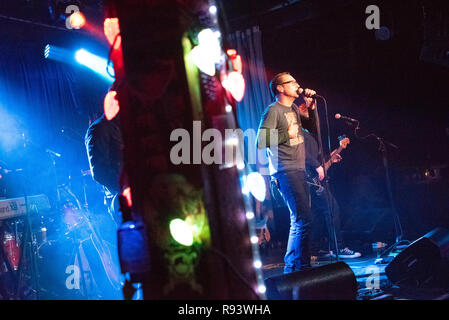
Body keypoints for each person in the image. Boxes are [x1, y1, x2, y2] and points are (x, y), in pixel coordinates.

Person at [257, 72, 318, 274]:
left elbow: (309, 127)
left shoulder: (292, 108)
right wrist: (285, 134)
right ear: (280, 88)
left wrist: (310, 107)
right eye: (291, 82)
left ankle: (295, 266)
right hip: (285, 170)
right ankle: (299, 267)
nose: (297, 84)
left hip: (298, 168)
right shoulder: (273, 111)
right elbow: (260, 141)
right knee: (303, 218)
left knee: (300, 219)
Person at [301, 122, 361, 259]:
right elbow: (300, 153)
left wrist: (331, 158)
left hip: (314, 178)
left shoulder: (311, 134)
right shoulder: (297, 132)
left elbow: (317, 161)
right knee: (332, 209)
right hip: (307, 177)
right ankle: (338, 248)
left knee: (317, 214)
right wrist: (317, 165)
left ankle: (314, 249)